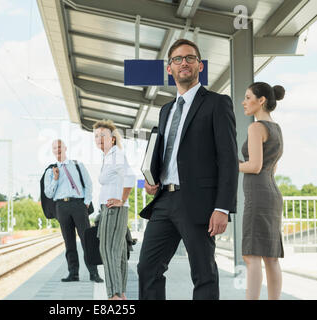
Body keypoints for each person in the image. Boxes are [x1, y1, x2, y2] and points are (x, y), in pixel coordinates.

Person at [137, 38, 239, 300]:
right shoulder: (166, 110)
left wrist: (222, 207)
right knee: (147, 267)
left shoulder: (217, 103)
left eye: (190, 58)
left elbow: (228, 159)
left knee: (203, 273)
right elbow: (166, 153)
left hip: (199, 202)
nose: (184, 63)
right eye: (177, 59)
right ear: (169, 68)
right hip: (164, 201)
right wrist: (153, 179)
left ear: (200, 66)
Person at [239, 82, 285, 300]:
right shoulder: (276, 128)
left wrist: (231, 164)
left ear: (262, 100)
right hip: (272, 192)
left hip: (258, 195)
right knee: (270, 256)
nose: (244, 102)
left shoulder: (256, 127)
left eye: (248, 97)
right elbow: (272, 166)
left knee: (251, 254)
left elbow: (254, 166)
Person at [44, 139, 103, 283]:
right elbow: (49, 194)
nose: (57, 149)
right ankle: (73, 273)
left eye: (59, 146)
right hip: (61, 207)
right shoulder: (50, 171)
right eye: (54, 148)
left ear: (65, 148)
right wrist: (56, 179)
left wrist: (86, 202)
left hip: (78, 205)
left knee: (86, 240)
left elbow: (88, 183)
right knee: (69, 242)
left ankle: (94, 273)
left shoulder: (77, 165)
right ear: (52, 151)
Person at [93, 119, 135, 300]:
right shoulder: (109, 155)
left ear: (112, 139)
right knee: (116, 251)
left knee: (108, 249)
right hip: (111, 209)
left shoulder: (116, 154)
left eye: (103, 135)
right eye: (96, 136)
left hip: (113, 209)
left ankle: (114, 296)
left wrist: (121, 200)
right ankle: (120, 294)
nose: (99, 139)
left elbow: (130, 177)